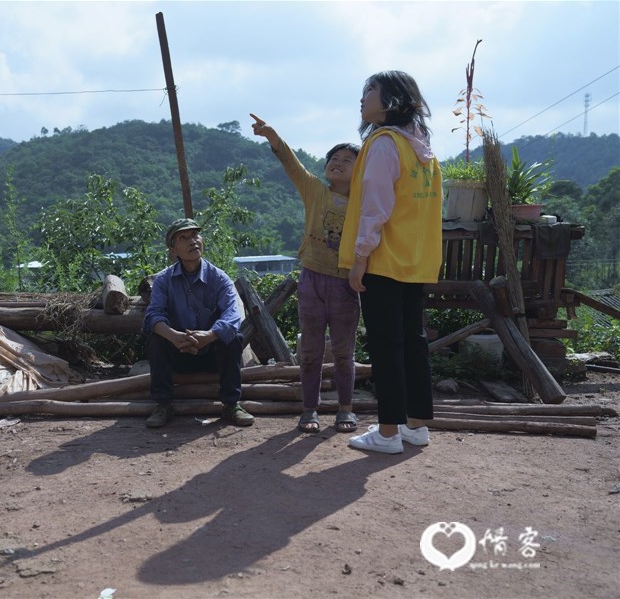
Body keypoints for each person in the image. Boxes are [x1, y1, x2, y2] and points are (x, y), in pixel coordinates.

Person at [338, 70, 443, 454]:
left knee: (385, 347)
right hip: (415, 261)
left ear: (391, 101)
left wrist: (359, 258)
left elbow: (374, 210)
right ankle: (415, 426)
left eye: (370, 91)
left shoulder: (383, 145)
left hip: (384, 260)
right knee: (413, 344)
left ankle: (386, 434)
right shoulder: (422, 147)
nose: (363, 99)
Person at [250, 113, 361, 435]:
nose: (338, 162)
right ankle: (309, 409)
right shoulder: (315, 191)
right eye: (334, 158)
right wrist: (273, 136)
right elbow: (293, 165)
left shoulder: (367, 201)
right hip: (312, 279)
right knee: (310, 352)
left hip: (345, 284)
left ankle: (345, 409)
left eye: (348, 160)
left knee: (343, 352)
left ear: (361, 170)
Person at [141, 218, 255, 429]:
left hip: (211, 355)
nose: (192, 241)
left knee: (233, 338)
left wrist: (209, 336)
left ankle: (231, 404)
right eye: (184, 238)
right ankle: (163, 405)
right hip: (178, 352)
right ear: (173, 250)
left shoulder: (219, 278)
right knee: (155, 338)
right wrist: (174, 336)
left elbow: (233, 316)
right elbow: (153, 316)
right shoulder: (164, 280)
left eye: (195, 235)